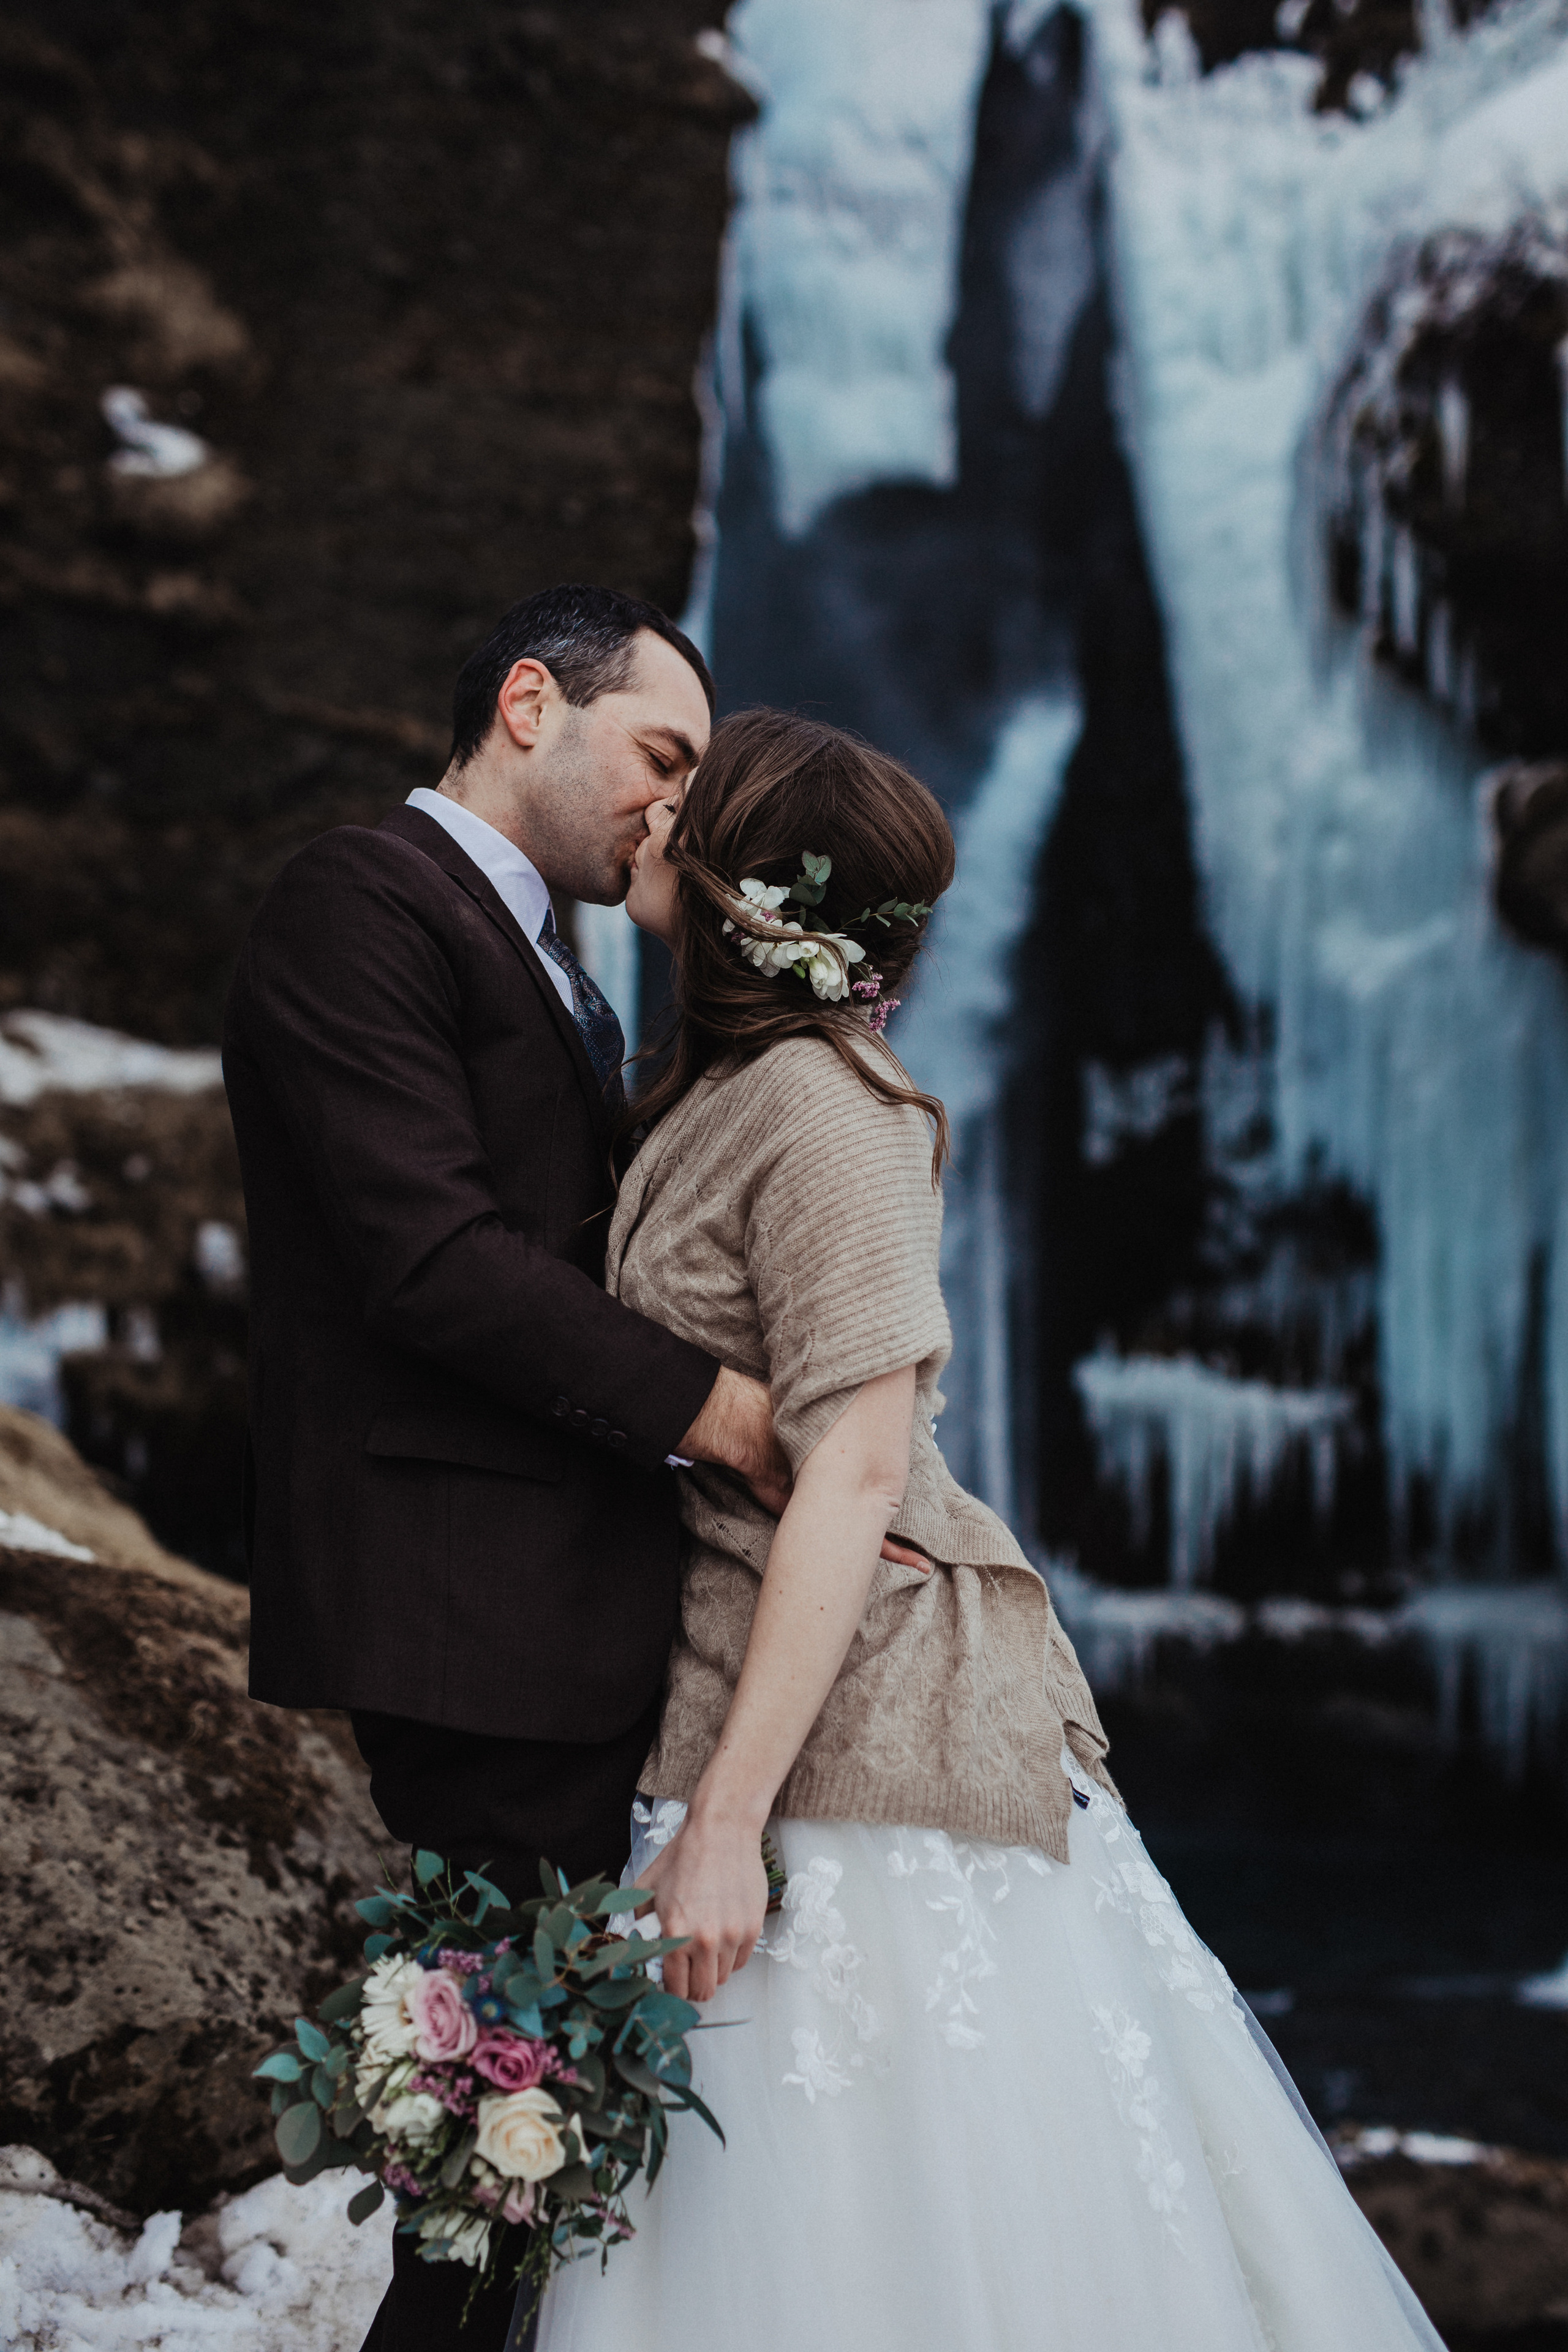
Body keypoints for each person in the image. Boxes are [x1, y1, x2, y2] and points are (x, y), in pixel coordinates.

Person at [535, 707, 1447, 2352]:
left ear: (750, 881)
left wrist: (728, 1822)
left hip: (864, 1736)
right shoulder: (711, 1089)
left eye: (690, 796)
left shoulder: (832, 1108)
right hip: (732, 1680)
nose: (653, 814)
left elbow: (856, 1475)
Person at [222, 586, 791, 2352]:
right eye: (662, 756)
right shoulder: (361, 899)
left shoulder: (555, 951)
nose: (678, 808)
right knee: (498, 2133)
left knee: (522, 2133)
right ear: (531, 705)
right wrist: (730, 1417)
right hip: (467, 1600)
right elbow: (433, 1258)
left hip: (546, 1600)